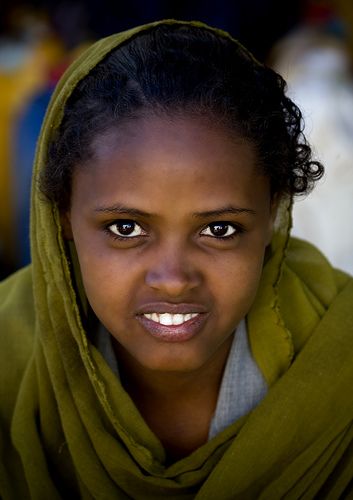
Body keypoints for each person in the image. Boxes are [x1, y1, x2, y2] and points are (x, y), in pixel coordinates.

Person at [0, 20, 352, 499]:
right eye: (126, 228)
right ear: (62, 214)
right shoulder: (8, 361)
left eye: (219, 230)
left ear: (271, 213)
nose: (172, 279)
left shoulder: (340, 355)